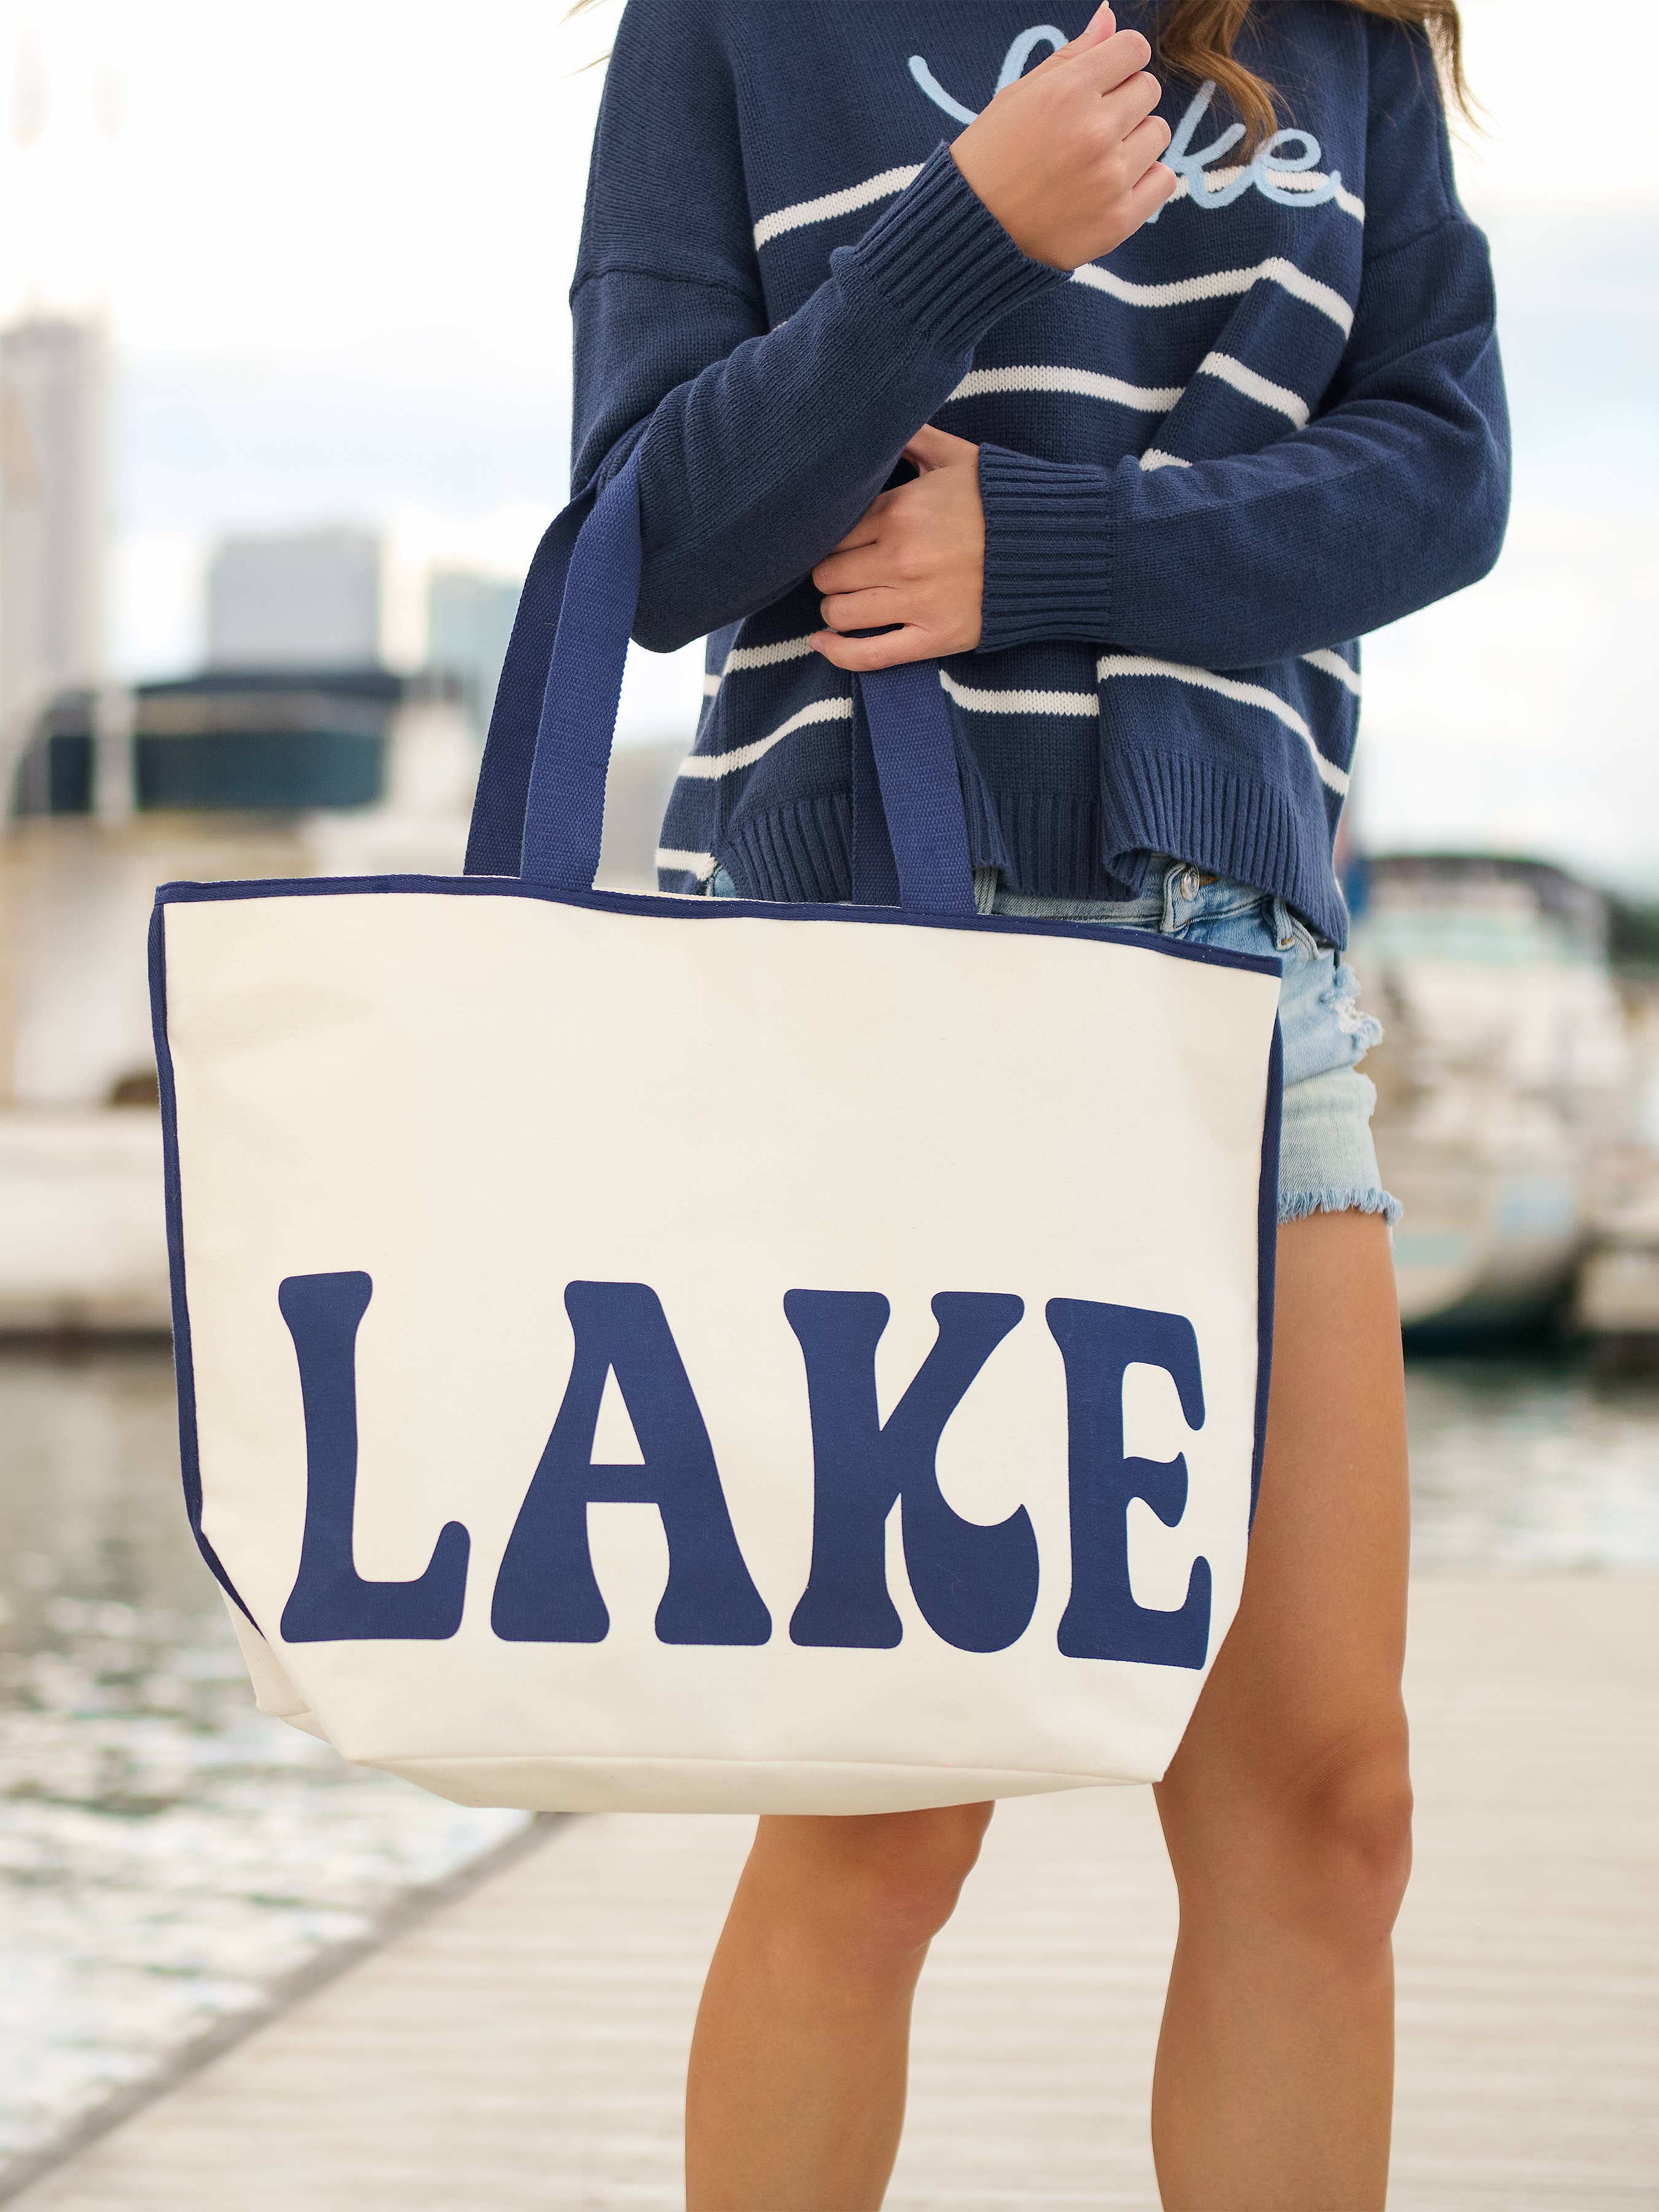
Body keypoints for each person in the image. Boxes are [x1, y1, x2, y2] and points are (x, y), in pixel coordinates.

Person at [569, 0, 1507, 2202]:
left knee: (1330, 1817)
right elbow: (650, 536)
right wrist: (962, 235)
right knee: (883, 1826)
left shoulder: (1346, 35)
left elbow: (1442, 470)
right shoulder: (732, 20)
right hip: (876, 959)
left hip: (1239, 955)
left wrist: (1061, 550)